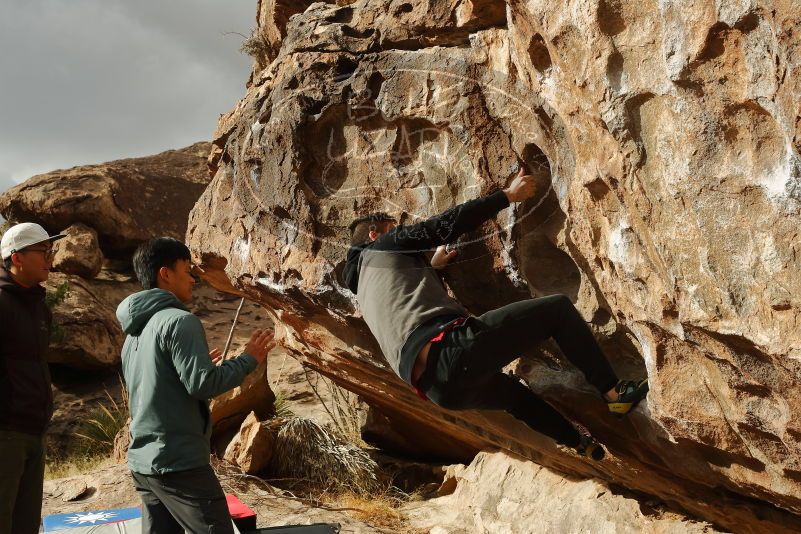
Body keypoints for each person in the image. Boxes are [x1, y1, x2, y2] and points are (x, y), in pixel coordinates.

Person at [343, 169, 649, 460]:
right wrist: (507, 196)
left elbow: (404, 300)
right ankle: (614, 393)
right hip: (450, 352)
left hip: (439, 391)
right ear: (374, 235)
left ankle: (577, 443)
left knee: (514, 398)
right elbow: (443, 225)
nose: (397, 234)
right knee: (557, 310)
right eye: (391, 230)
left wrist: (432, 268)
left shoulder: (363, 286)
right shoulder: (383, 246)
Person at [117, 237, 275, 533]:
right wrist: (248, 359)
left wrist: (200, 368)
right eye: (187, 270)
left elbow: (155, 385)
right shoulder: (180, 322)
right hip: (179, 462)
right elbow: (202, 385)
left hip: (143, 462)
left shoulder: (134, 333)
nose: (193, 279)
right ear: (165, 273)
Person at [0, 222, 65, 534]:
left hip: (34, 432)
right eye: (43, 251)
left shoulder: (40, 306)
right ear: (17, 258)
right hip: (4, 435)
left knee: (26, 526)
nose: (50, 258)